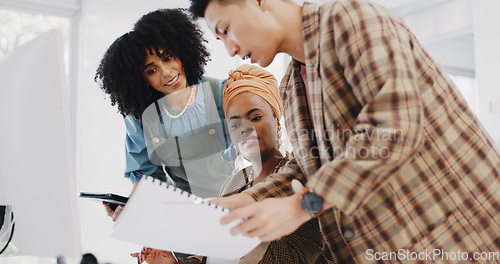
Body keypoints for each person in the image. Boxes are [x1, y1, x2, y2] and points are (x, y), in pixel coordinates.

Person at [189, 0, 500, 263]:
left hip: (461, 236)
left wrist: (302, 205)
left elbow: (393, 128)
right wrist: (246, 200)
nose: (230, 49)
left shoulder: (349, 21)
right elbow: (307, 164)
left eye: (226, 30)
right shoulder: (290, 86)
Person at [131, 64, 333, 264]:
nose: (245, 128)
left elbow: (295, 257)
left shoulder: (301, 179)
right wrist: (172, 262)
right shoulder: (234, 183)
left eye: (255, 117)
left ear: (277, 121)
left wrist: (237, 229)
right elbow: (212, 255)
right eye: (235, 124)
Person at [95, 8, 235, 260]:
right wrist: (131, 209)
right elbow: (148, 178)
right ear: (140, 80)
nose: (166, 72)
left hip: (233, 214)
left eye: (168, 58)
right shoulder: (142, 120)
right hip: (183, 224)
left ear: (183, 52)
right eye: (151, 70)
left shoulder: (221, 93)